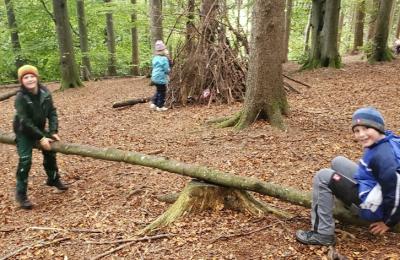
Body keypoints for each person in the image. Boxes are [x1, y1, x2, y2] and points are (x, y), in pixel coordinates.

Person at [296, 107, 400, 246]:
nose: (361, 134)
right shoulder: (386, 139)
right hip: (373, 186)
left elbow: (395, 192)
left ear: (378, 128)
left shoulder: (384, 157)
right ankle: (347, 203)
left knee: (323, 176)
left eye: (366, 128)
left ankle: (323, 234)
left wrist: (388, 222)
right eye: (357, 130)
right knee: (338, 161)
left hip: (374, 205)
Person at [13, 65, 68, 210]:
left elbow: (52, 111)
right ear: (21, 81)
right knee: (25, 161)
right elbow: (25, 121)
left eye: (32, 76)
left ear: (37, 77)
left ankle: (53, 179)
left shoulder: (45, 92)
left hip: (39, 128)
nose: (30, 79)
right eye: (26, 77)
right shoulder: (20, 97)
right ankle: (21, 195)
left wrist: (53, 130)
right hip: (23, 131)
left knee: (50, 151)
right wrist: (40, 137)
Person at [149, 40, 170, 112]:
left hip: (154, 77)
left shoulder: (155, 58)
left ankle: (154, 103)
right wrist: (169, 71)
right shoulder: (164, 59)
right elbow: (166, 69)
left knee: (158, 90)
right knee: (162, 92)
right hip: (161, 78)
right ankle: (160, 106)